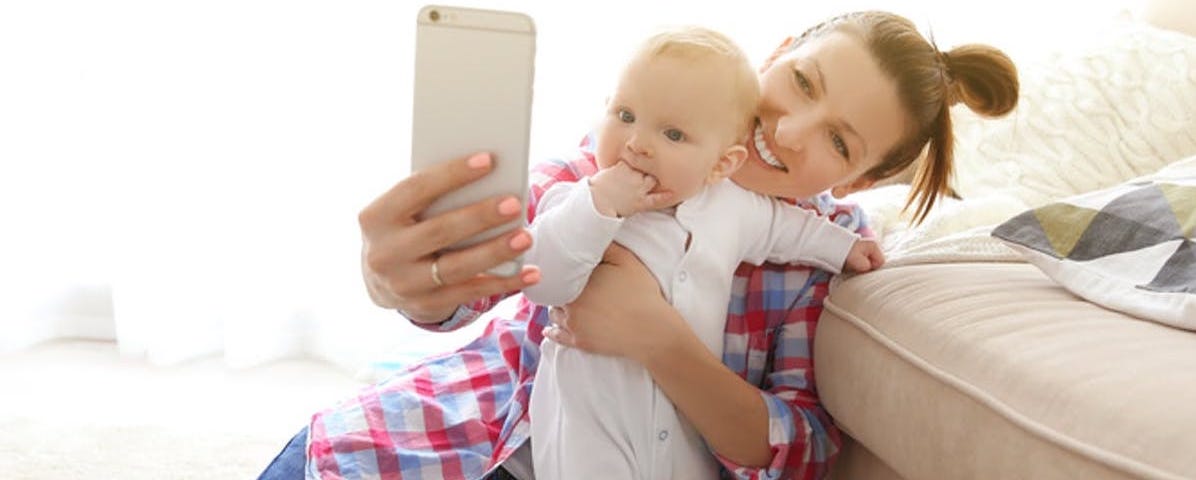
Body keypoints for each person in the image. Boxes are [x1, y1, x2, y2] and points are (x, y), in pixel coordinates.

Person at [258, 10, 1017, 480]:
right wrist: (403, 279)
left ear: (853, 182)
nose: (788, 131)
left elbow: (798, 452)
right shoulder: (641, 138)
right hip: (462, 434)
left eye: (837, 140)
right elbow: (484, 275)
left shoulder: (822, 249)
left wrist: (658, 340)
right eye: (804, 84)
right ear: (776, 53)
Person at [522, 26, 883, 480]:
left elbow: (791, 231)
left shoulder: (733, 207)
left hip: (680, 435)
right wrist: (598, 205)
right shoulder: (574, 201)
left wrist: (846, 247)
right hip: (588, 429)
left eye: (672, 133)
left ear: (720, 164)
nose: (637, 143)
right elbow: (542, 282)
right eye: (626, 115)